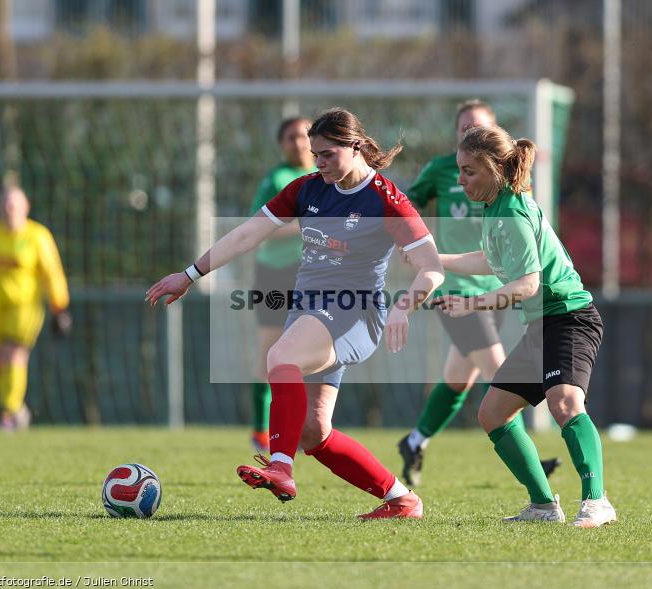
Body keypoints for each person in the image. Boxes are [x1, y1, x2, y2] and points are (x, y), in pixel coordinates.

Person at [146, 108, 444, 519]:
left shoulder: (385, 199)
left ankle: (280, 467)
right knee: (313, 431)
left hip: (354, 314)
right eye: (315, 154)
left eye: (327, 154)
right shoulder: (307, 189)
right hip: (310, 312)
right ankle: (402, 499)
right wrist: (189, 274)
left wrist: (404, 307)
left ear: (355, 147)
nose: (318, 163)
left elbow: (432, 268)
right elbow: (248, 233)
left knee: (280, 357)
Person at [431, 124, 616, 527]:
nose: (460, 180)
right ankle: (543, 507)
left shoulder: (512, 210)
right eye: (460, 170)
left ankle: (596, 501)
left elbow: (527, 284)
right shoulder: (496, 206)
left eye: (468, 171)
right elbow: (491, 260)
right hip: (540, 326)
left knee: (565, 403)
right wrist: (436, 260)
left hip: (569, 318)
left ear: (495, 169)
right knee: (493, 414)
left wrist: (471, 303)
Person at [399, 99, 560, 487]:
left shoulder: (505, 186)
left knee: (459, 379)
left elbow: (507, 247)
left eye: (478, 128)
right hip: (457, 290)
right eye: (464, 128)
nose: (462, 178)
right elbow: (406, 207)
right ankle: (531, 462)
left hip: (497, 288)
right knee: (501, 377)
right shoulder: (442, 170)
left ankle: (415, 440)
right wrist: (421, 249)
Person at [0, 184, 72, 430]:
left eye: (13, 204)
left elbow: (52, 273)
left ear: (26, 207)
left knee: (14, 353)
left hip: (24, 307)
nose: (8, 209)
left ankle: (9, 413)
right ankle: (17, 410)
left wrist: (59, 307)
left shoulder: (37, 236)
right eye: (4, 204)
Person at [247, 116, 316, 453]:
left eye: (304, 136)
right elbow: (257, 228)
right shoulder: (276, 179)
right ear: (281, 144)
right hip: (274, 274)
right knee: (270, 350)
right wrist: (305, 225)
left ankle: (306, 424)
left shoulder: (325, 175)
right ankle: (261, 427)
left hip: (310, 276)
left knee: (309, 351)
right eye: (291, 137)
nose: (299, 142)